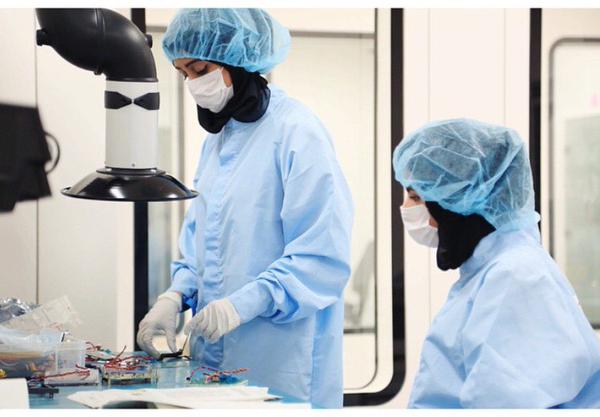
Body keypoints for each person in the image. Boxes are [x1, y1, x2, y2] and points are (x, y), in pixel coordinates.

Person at [136, 9, 353, 408]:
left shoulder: (297, 133)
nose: (192, 84)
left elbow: (322, 258)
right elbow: (201, 243)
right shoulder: (218, 142)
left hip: (282, 363)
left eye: (199, 68)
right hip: (213, 361)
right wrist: (174, 297)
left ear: (238, 61)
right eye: (183, 73)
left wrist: (242, 304)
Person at [393, 118, 600, 408]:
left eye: (419, 197)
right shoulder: (489, 272)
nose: (413, 212)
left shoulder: (515, 277)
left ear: (459, 201)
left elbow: (507, 404)